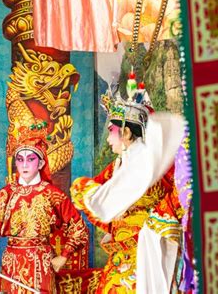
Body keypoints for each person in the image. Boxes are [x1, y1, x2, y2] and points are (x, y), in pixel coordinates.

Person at [70, 79, 185, 293]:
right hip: (119, 257)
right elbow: (88, 195)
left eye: (111, 130)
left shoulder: (154, 165)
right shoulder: (116, 167)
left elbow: (181, 195)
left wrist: (155, 223)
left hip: (146, 251)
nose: (108, 140)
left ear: (126, 133)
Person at [0, 122, 89, 293]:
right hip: (12, 264)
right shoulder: (6, 194)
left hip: (40, 263)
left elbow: (79, 228)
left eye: (30, 159)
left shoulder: (52, 194)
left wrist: (64, 255)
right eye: (20, 159)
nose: (24, 165)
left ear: (41, 164)